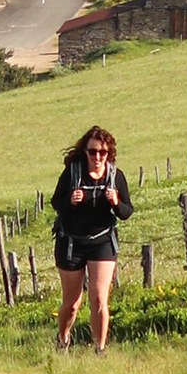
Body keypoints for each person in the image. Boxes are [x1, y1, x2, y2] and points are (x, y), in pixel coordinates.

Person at [51, 124, 132, 352]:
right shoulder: (73, 172)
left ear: (109, 154)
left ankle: (100, 349)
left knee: (99, 299)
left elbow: (126, 212)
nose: (97, 157)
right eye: (92, 152)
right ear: (85, 152)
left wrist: (115, 202)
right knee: (73, 303)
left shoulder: (116, 176)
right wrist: (70, 201)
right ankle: (64, 338)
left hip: (102, 241)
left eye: (102, 153)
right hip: (71, 242)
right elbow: (56, 203)